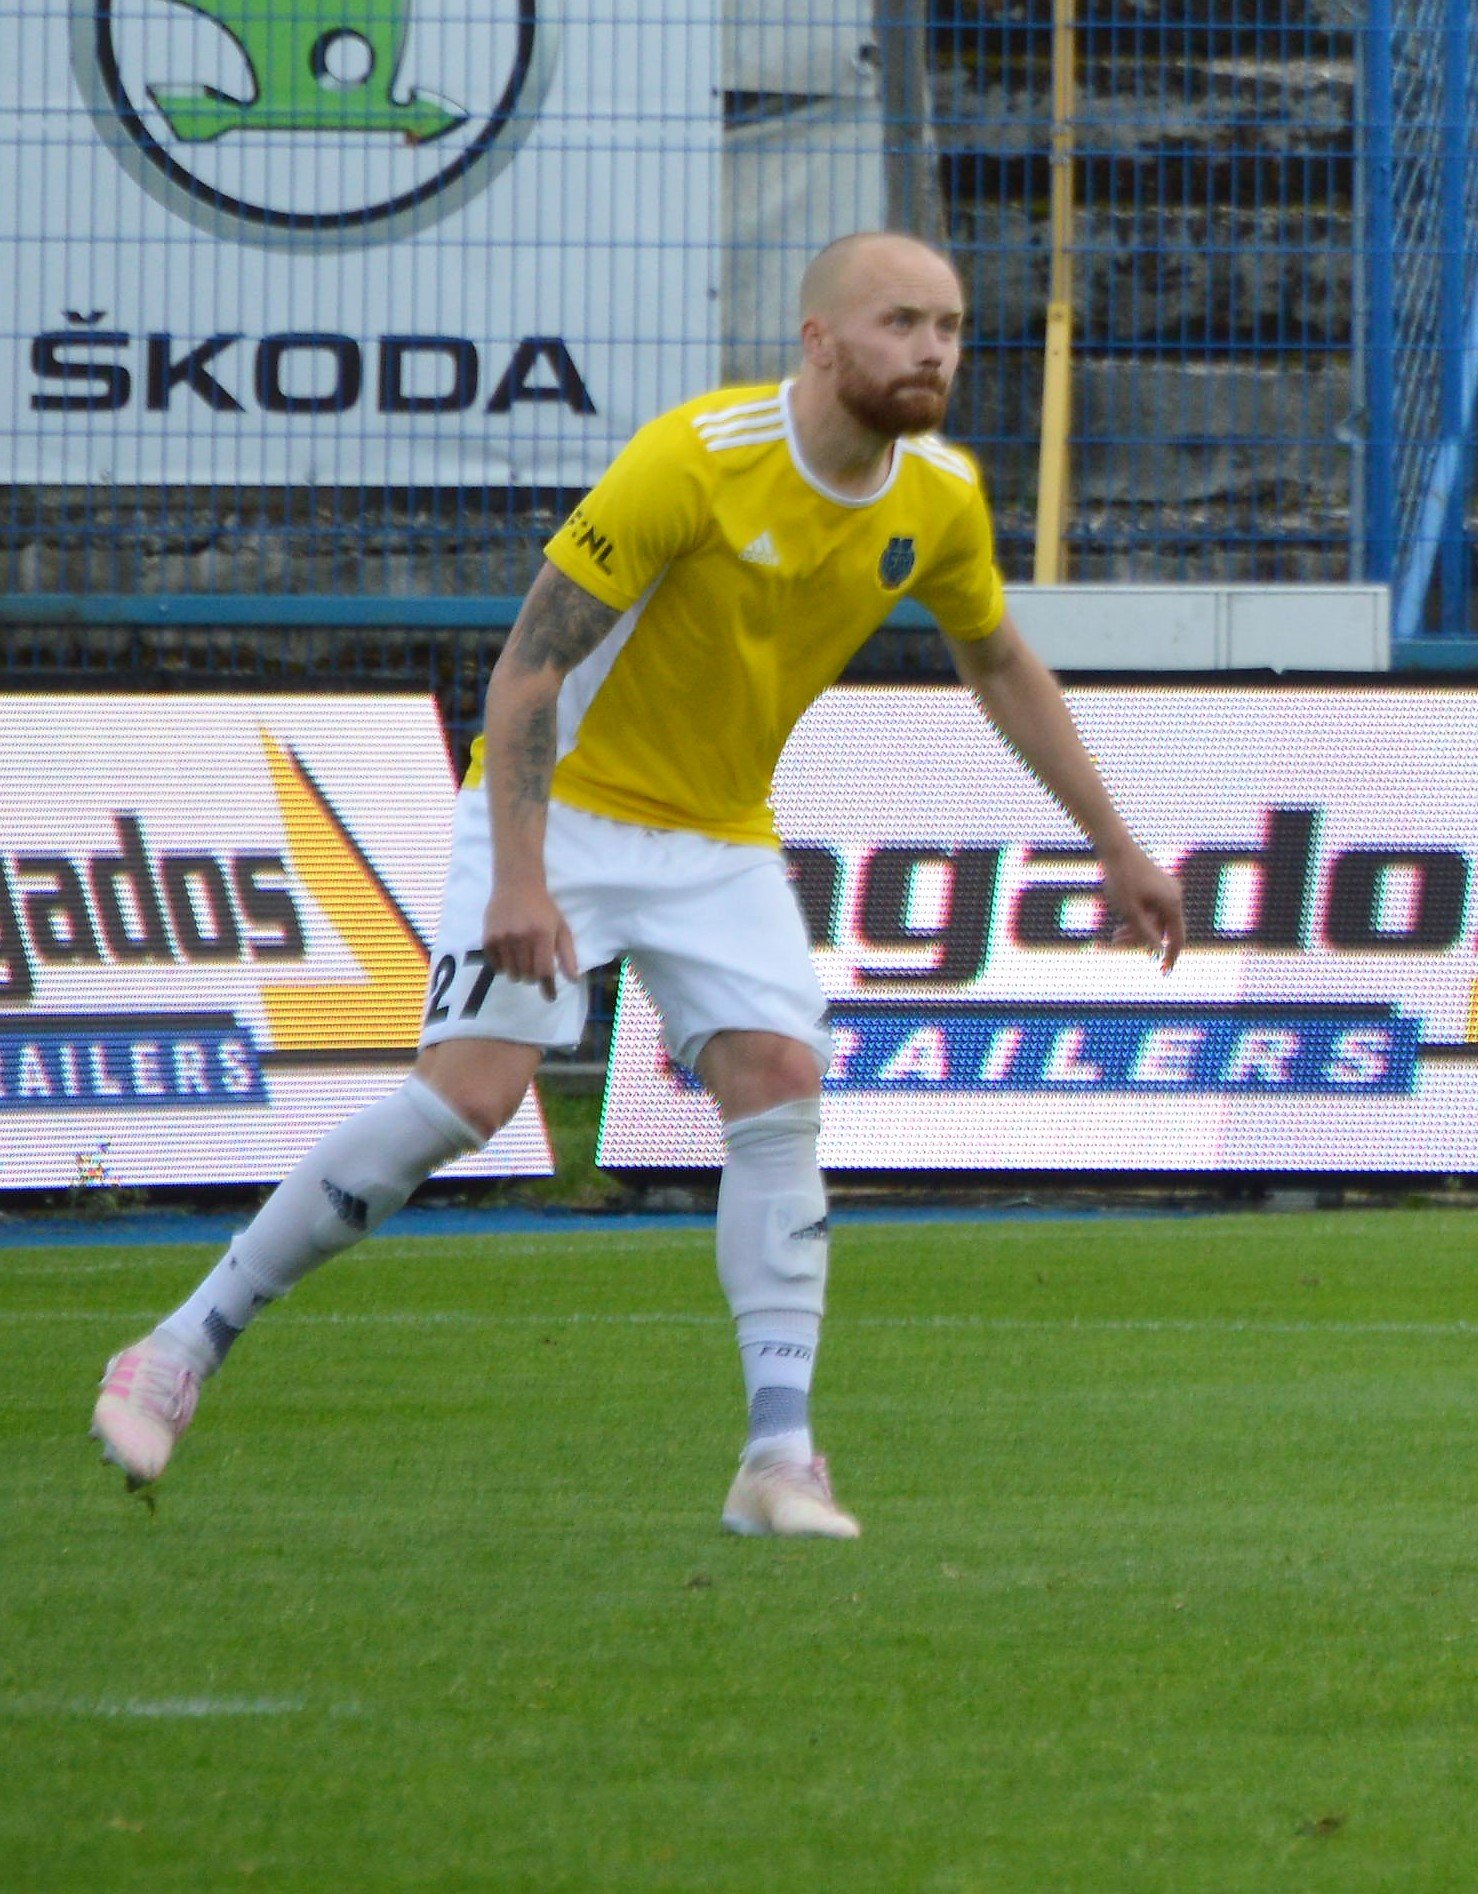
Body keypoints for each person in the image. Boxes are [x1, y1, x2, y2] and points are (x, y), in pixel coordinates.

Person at [89, 234, 1190, 1536]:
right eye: (900, 321)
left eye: (949, 325)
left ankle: (779, 1455)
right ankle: (177, 1347)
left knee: (780, 1079)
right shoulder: (695, 459)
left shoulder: (939, 497)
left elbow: (997, 659)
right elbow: (527, 669)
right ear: (818, 339)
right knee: (472, 1098)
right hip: (564, 806)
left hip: (718, 833)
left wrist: (1116, 843)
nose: (933, 349)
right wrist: (519, 873)